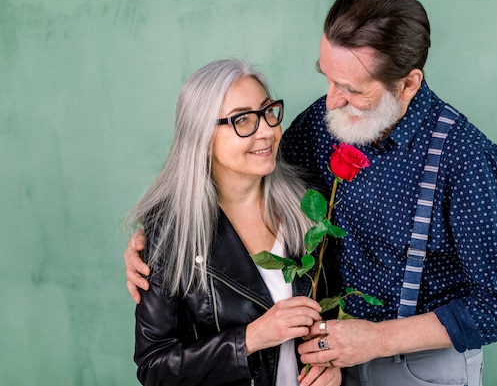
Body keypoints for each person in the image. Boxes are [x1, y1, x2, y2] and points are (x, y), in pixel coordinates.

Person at [125, 0, 497, 386]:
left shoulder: (469, 162)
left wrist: (377, 339)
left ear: (408, 84)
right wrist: (160, 241)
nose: (331, 100)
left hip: (420, 368)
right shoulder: (322, 124)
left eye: (352, 90)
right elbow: (243, 177)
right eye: (328, 79)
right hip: (328, 364)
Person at [125, 59, 341, 386]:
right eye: (242, 120)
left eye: (268, 111)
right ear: (202, 136)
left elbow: (333, 317)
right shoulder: (170, 234)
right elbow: (155, 367)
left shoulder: (308, 206)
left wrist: (332, 365)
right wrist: (250, 338)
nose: (268, 130)